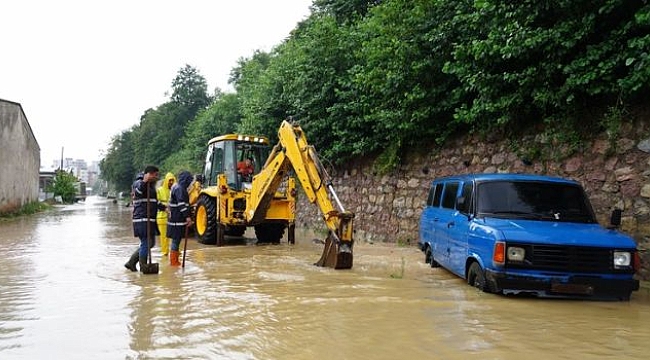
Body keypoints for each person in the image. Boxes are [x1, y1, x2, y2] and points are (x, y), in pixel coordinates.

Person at [124, 165, 165, 272]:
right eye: (155, 175)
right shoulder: (139, 183)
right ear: (149, 174)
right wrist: (144, 182)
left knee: (150, 243)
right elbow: (137, 193)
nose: (157, 177)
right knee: (146, 243)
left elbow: (154, 202)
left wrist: (165, 208)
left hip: (149, 220)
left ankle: (131, 262)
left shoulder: (151, 186)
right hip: (142, 219)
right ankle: (143, 265)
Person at [166, 170, 194, 266]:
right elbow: (181, 204)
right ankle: (174, 263)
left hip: (176, 219)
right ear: (185, 180)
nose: (189, 183)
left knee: (176, 241)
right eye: (189, 181)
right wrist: (187, 217)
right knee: (176, 240)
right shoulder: (179, 189)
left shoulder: (177, 187)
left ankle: (174, 261)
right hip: (176, 220)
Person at [156, 172, 176, 257]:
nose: (171, 182)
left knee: (174, 236)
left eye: (172, 180)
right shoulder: (159, 190)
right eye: (169, 180)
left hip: (172, 217)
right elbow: (156, 202)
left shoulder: (174, 190)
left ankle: (174, 252)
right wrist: (165, 206)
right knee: (164, 237)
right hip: (162, 217)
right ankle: (164, 253)